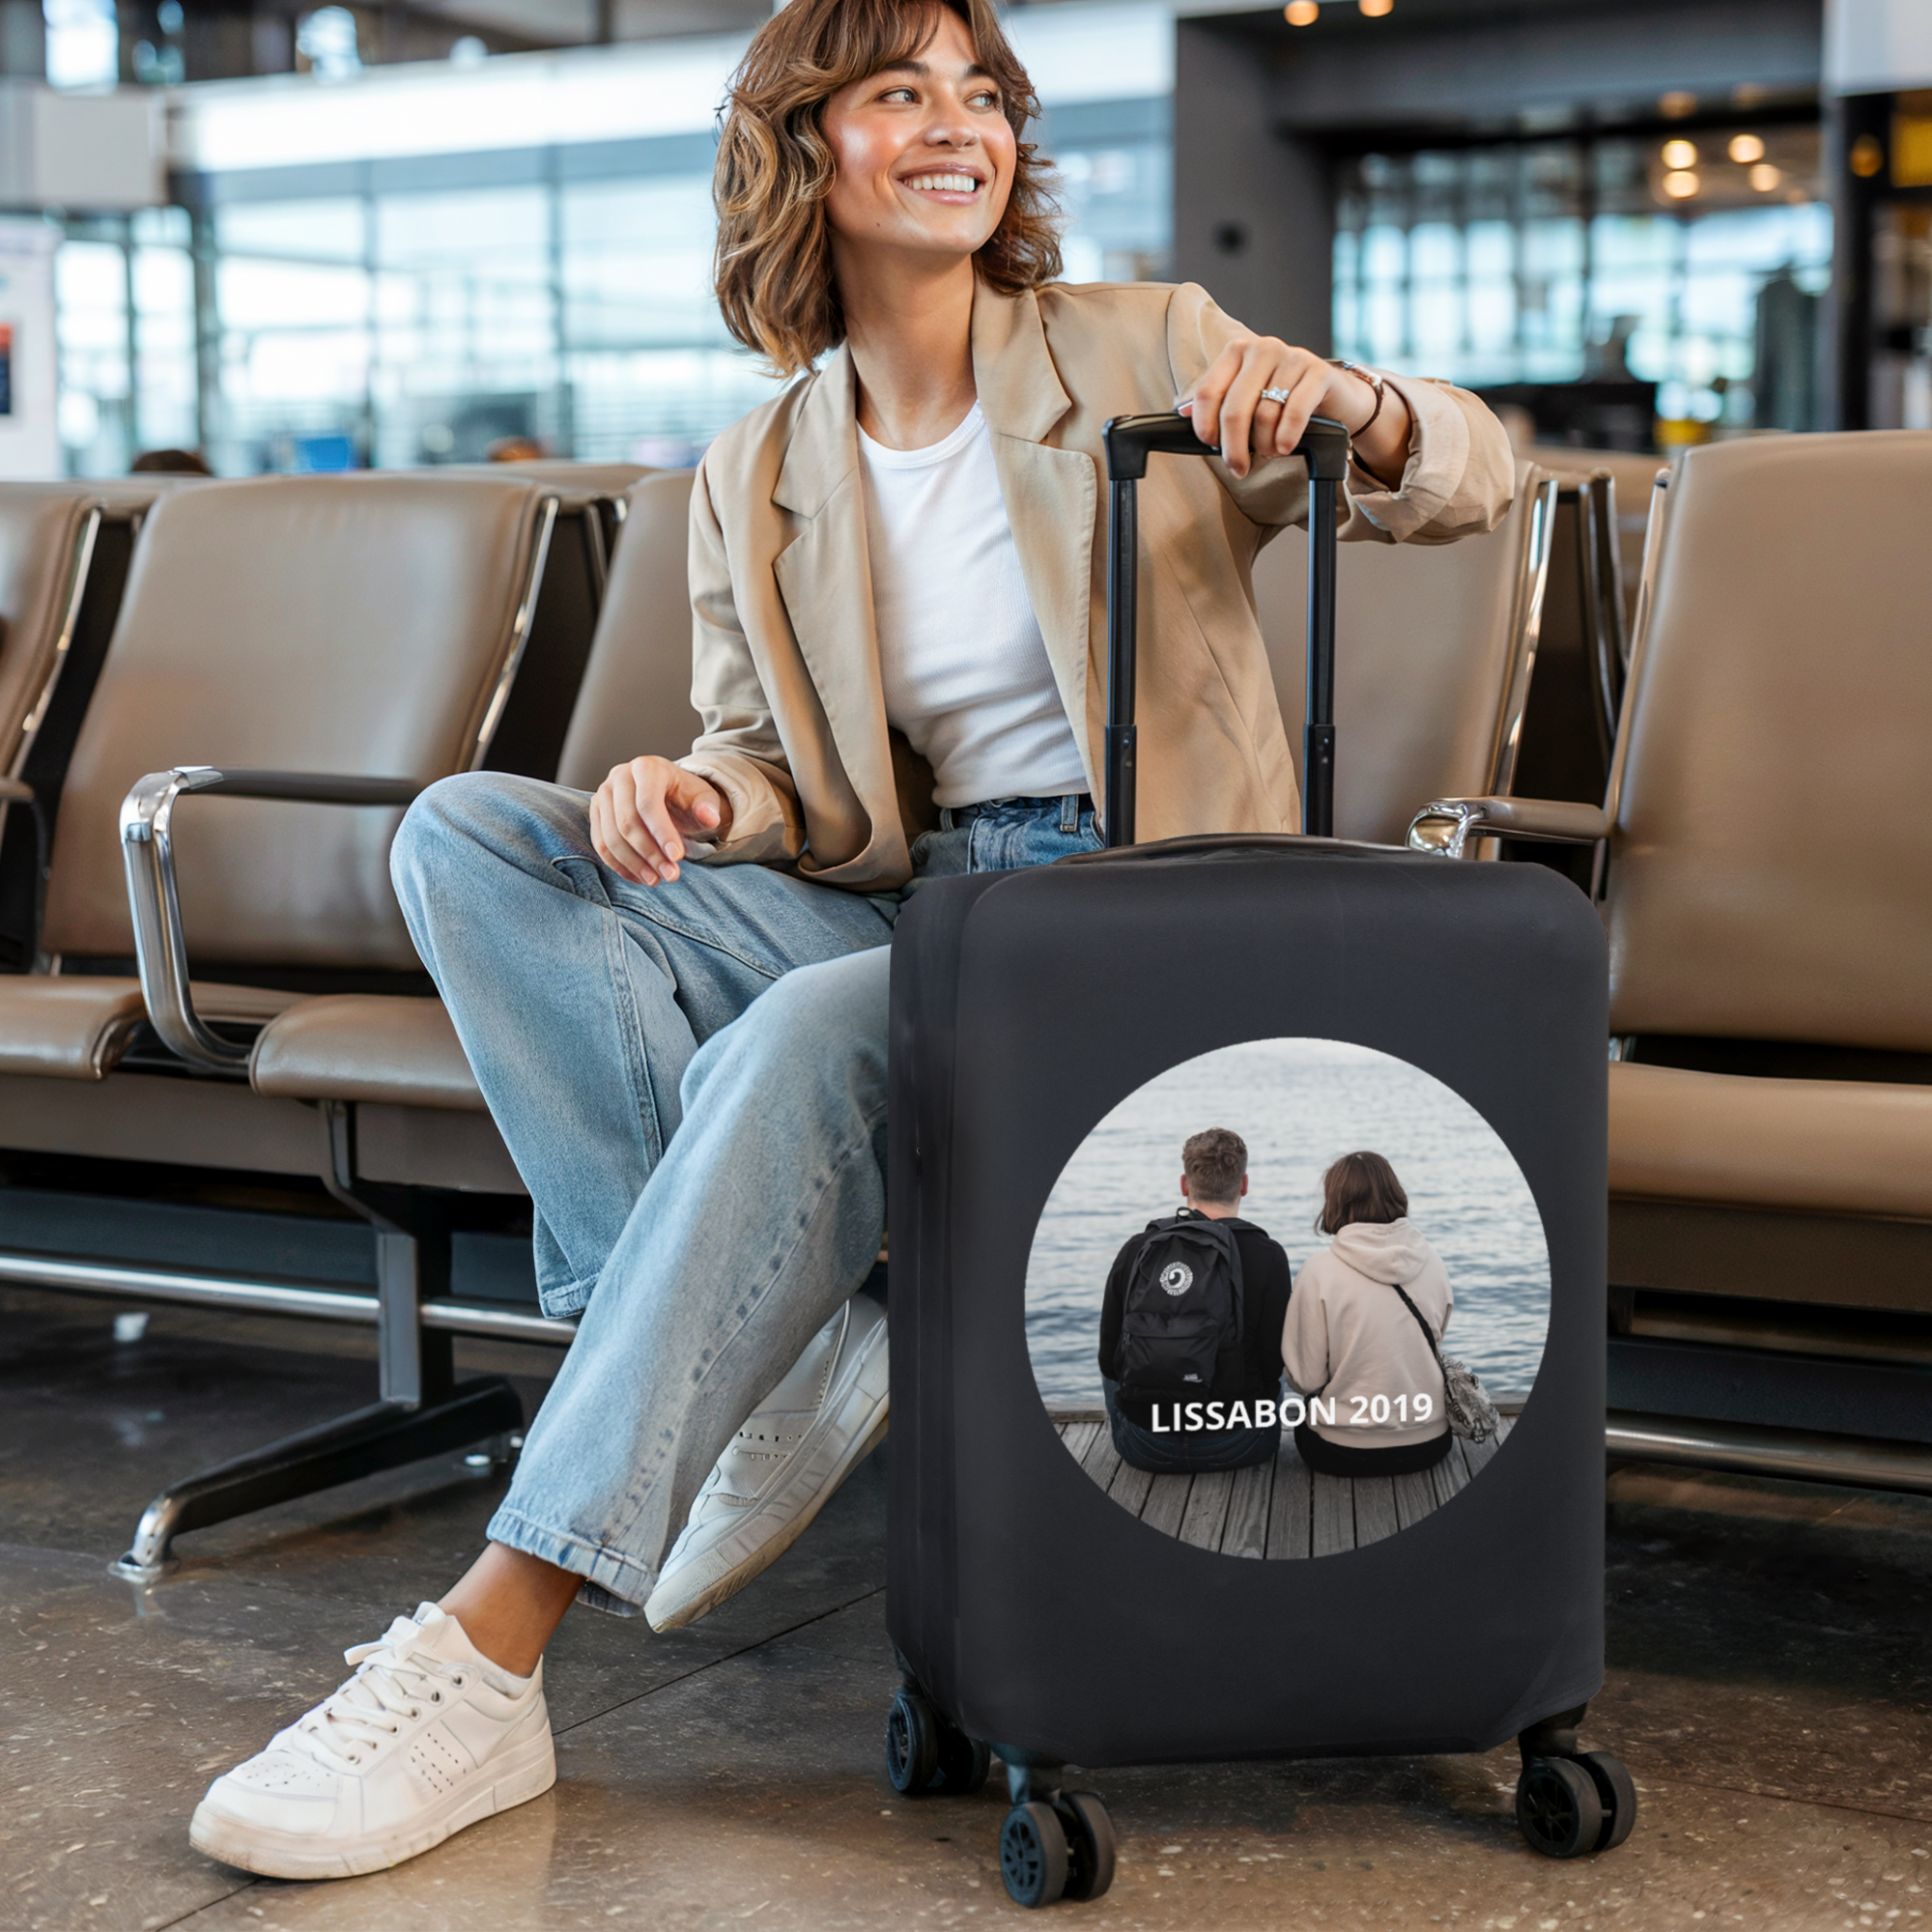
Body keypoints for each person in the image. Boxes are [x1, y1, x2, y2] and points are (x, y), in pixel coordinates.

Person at [187, 0, 1513, 1882]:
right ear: (807, 145)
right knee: (475, 835)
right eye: (902, 90)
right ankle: (759, 1348)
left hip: (1130, 912)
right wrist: (703, 799)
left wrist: (1360, 410)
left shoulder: (1138, 344)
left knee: (822, 1025)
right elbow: (778, 763)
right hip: (908, 893)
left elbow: (1471, 477)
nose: (957, 124)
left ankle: (489, 1651)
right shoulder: (757, 468)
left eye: (983, 94)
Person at [1097, 1127, 1293, 1473]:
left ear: (1185, 1186)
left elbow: (1109, 1361)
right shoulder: (1269, 1255)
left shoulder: (1137, 1249)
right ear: (1244, 1185)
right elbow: (1272, 1365)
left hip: (1144, 1446)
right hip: (1237, 1444)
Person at [1281, 1151, 1455, 1477]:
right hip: (1429, 1443)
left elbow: (1306, 1380)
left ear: (1335, 1202)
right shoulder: (1433, 1260)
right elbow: (1435, 1341)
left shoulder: (1318, 1271)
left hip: (1342, 1450)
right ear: (1395, 1193)